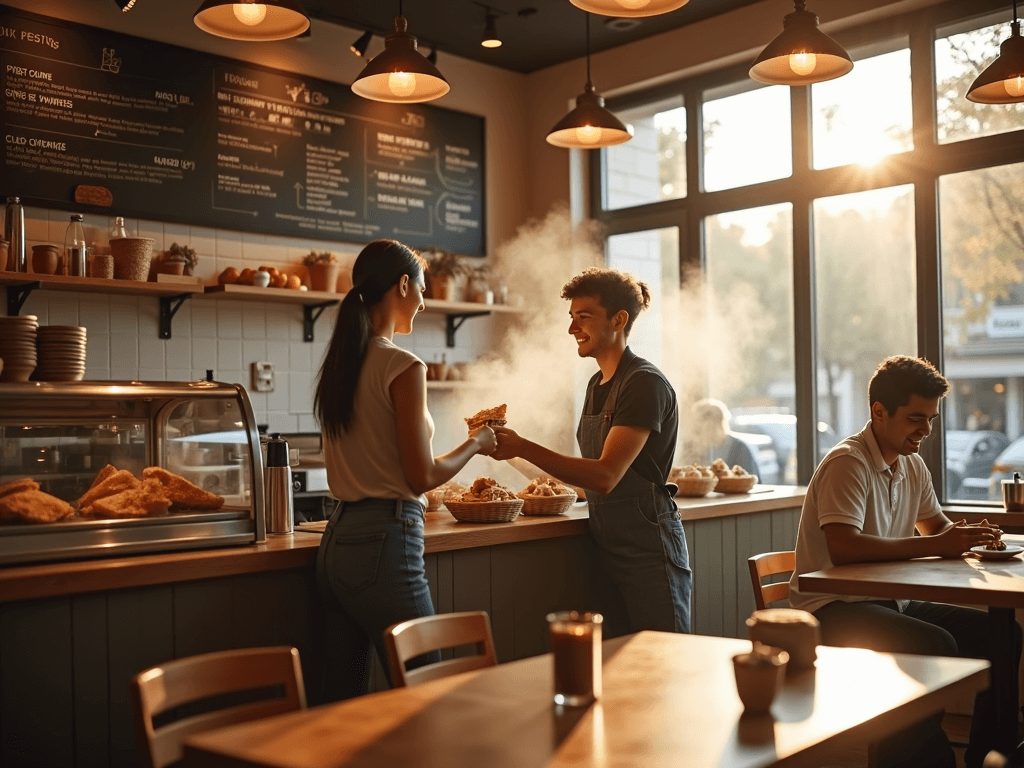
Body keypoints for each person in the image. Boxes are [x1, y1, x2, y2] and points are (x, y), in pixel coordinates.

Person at [788, 355, 1019, 768]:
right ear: (879, 412)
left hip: (887, 601)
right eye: (916, 418)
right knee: (933, 645)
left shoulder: (911, 464)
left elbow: (935, 527)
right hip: (833, 608)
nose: (926, 431)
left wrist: (970, 539)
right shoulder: (848, 463)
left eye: (930, 419)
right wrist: (942, 542)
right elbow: (845, 547)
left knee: (1003, 636)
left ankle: (990, 757)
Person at [313, 239, 496, 696]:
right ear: (401, 285)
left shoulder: (342, 364)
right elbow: (422, 477)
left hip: (336, 543)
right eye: (420, 288)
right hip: (385, 543)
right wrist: (478, 441)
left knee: (342, 704)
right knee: (426, 690)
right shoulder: (402, 365)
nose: (422, 300)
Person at [492, 267, 690, 633]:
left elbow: (604, 475)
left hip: (651, 552)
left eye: (583, 317)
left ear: (619, 320)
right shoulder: (596, 383)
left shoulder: (644, 383)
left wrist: (525, 445)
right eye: (571, 318)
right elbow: (582, 484)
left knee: (662, 664)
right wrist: (510, 451)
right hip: (606, 551)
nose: (572, 329)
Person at [686, 398, 759, 475]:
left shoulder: (739, 448)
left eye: (698, 422)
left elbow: (750, 481)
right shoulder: (698, 449)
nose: (695, 429)